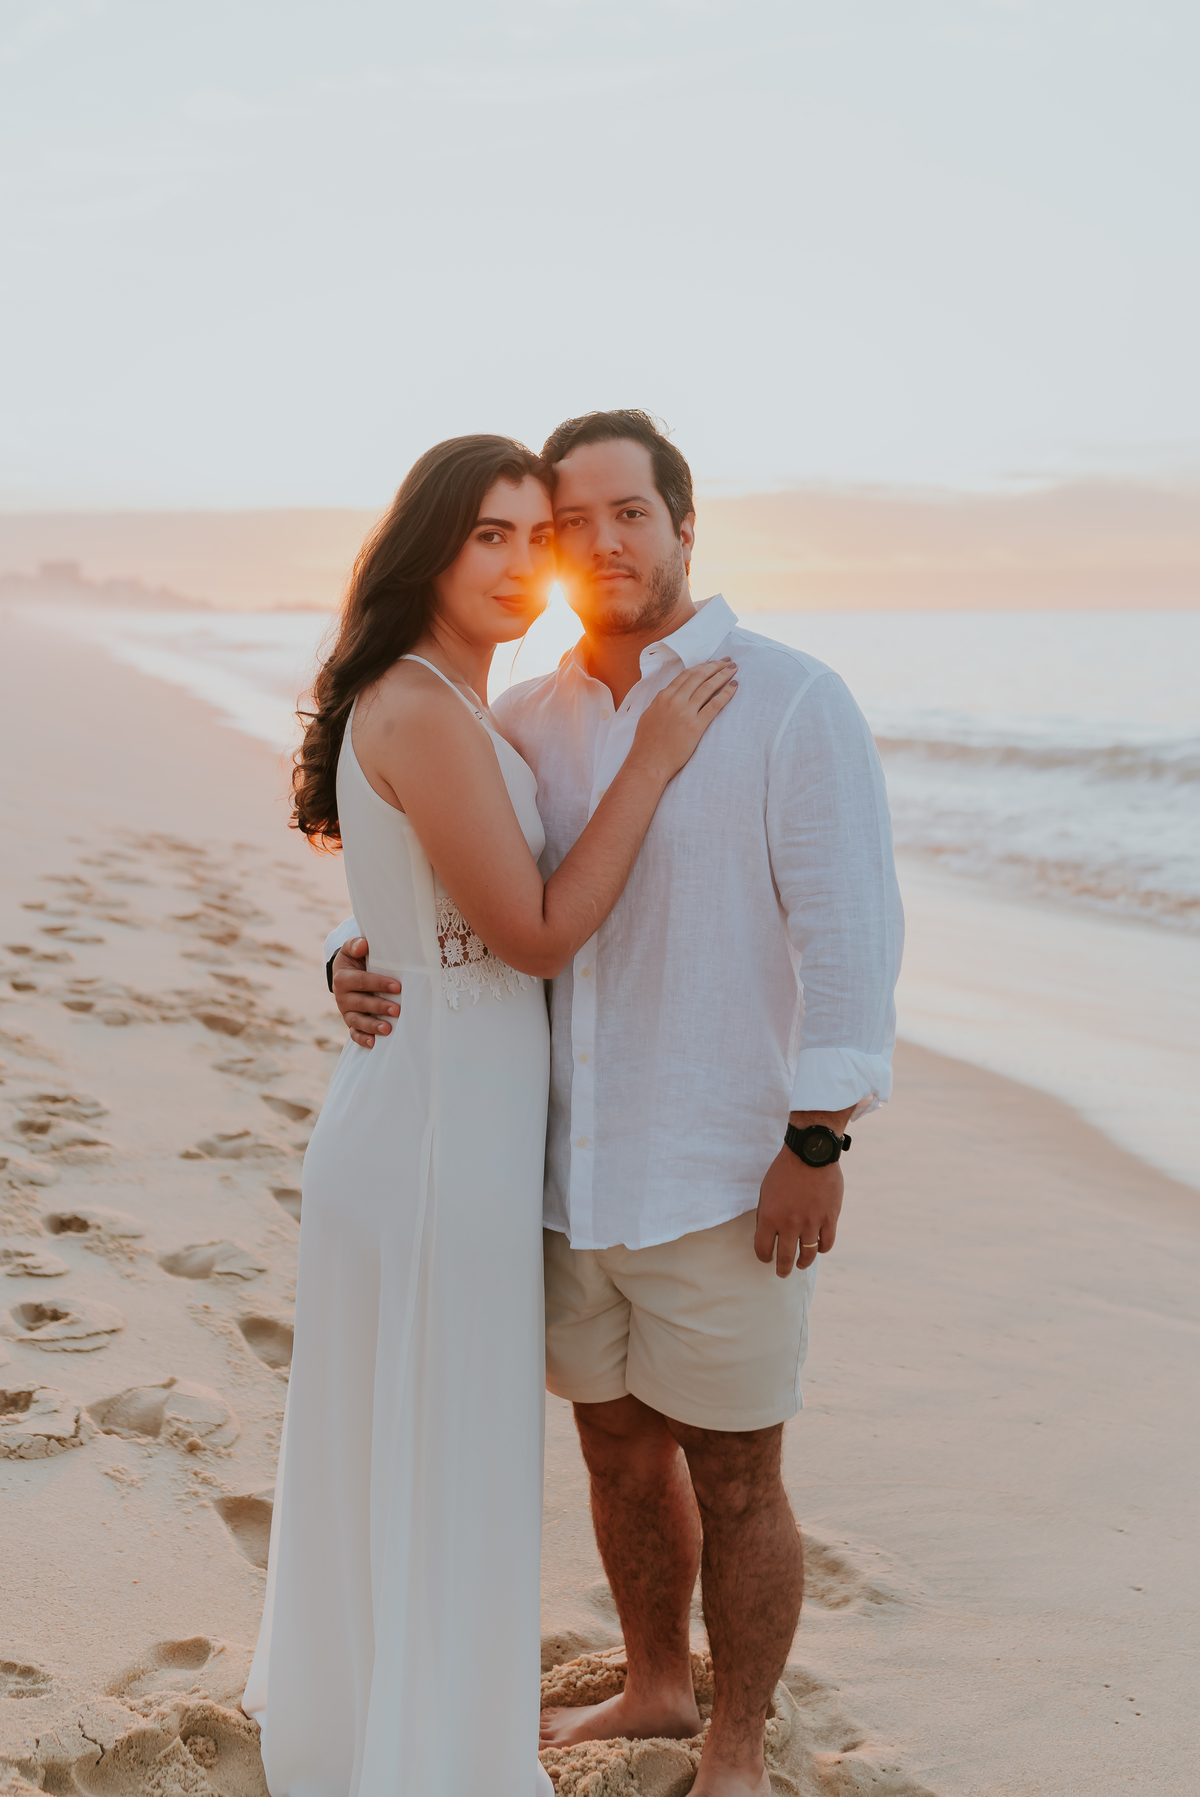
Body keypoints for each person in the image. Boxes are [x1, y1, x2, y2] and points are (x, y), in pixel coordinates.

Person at [330, 409, 904, 1797]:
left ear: (683, 524)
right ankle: (653, 1686)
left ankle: (736, 1746)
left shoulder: (789, 696)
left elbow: (852, 932)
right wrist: (352, 961)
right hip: (560, 1172)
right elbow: (463, 898)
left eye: (625, 514)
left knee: (740, 1471)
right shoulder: (522, 718)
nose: (598, 544)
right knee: (613, 1447)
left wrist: (818, 1134)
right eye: (566, 525)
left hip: (722, 1171)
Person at [241, 431, 737, 1797]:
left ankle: (398, 1722)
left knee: (430, 1441)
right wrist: (652, 760)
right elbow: (525, 930)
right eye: (492, 537)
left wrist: (353, 942)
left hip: (444, 1121)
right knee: (440, 1445)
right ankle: (419, 1750)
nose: (527, 565)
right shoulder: (416, 705)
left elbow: (418, 893)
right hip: (435, 1141)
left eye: (542, 537)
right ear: (431, 549)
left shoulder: (460, 705)